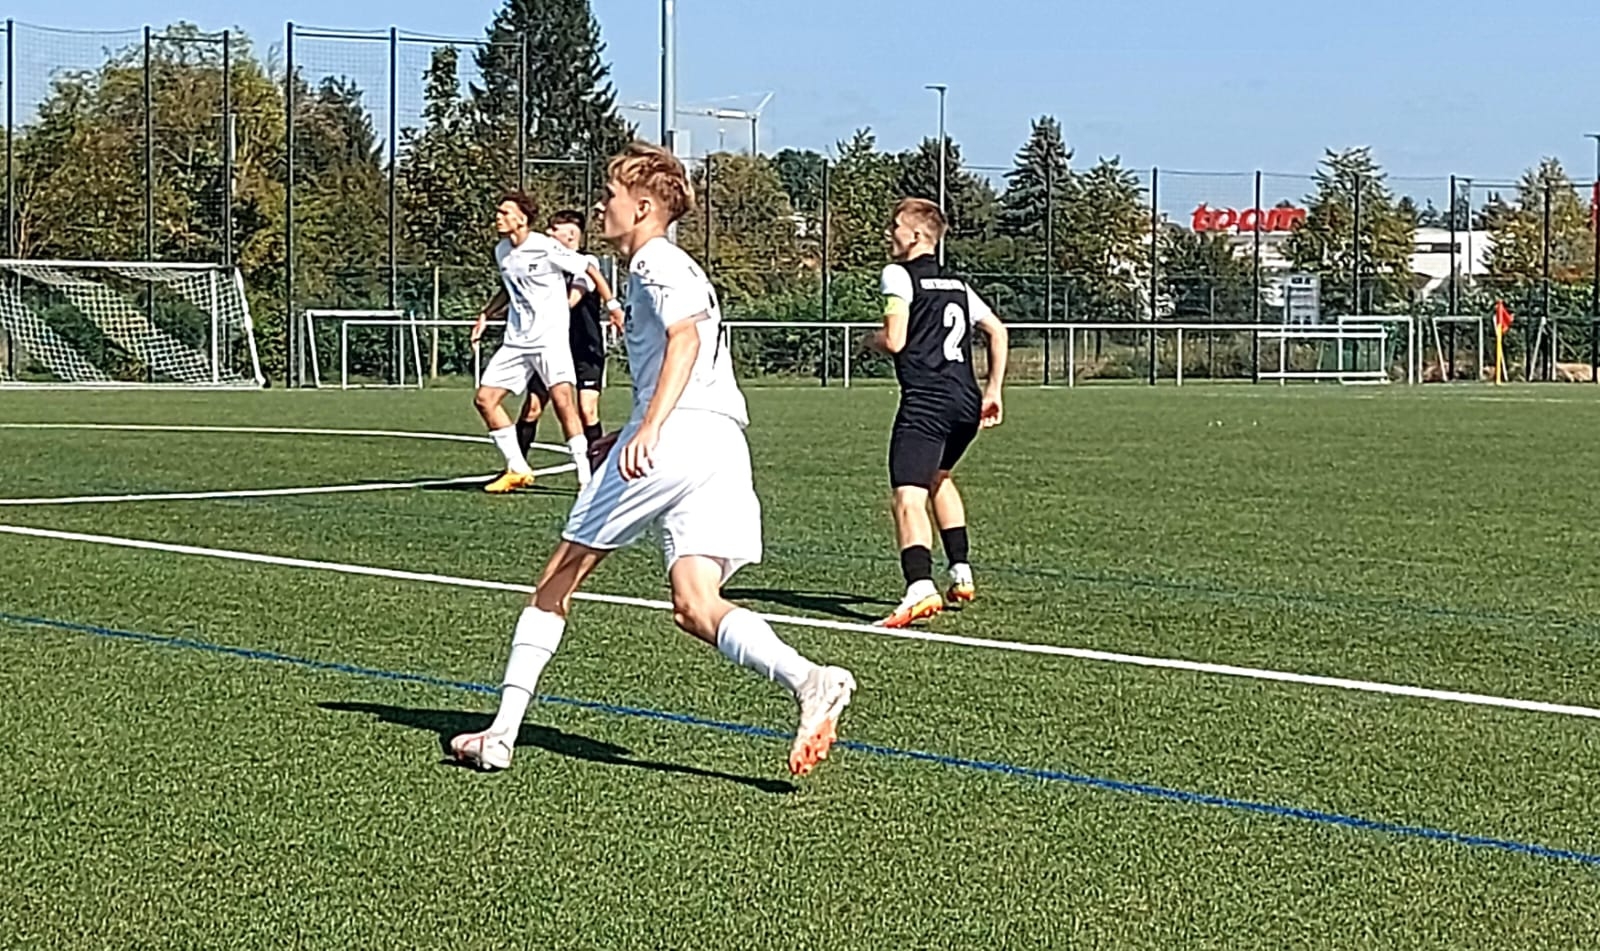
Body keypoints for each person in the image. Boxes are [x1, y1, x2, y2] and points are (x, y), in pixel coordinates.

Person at [450, 142, 857, 777]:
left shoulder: (654, 262)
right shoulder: (668, 266)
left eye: (609, 196)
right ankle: (809, 680)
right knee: (695, 603)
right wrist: (637, 425)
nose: (600, 207)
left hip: (676, 437)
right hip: (720, 442)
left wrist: (651, 427)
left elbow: (684, 340)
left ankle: (499, 734)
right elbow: (687, 352)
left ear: (642, 207)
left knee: (557, 580)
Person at [869, 197, 1010, 629]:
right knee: (939, 477)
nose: (890, 233)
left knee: (907, 494)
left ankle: (919, 587)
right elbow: (997, 330)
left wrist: (868, 340)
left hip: (927, 401)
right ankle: (961, 571)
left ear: (915, 236)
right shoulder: (957, 285)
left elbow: (895, 339)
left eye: (895, 226)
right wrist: (994, 389)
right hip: (965, 401)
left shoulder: (897, 274)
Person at [471, 192, 620, 493]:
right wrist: (486, 314)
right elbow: (509, 287)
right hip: (516, 341)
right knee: (485, 399)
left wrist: (613, 305)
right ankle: (517, 467)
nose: (498, 217)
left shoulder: (544, 246)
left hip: (550, 339)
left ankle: (585, 477)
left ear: (522, 219)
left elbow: (589, 269)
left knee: (564, 403)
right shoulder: (502, 251)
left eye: (505, 212)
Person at [514, 210, 625, 461]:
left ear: (572, 234)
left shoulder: (587, 263)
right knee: (532, 407)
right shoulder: (548, 263)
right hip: (551, 347)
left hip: (585, 348)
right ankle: (516, 467)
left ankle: (597, 470)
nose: (548, 233)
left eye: (555, 229)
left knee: (587, 410)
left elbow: (572, 299)